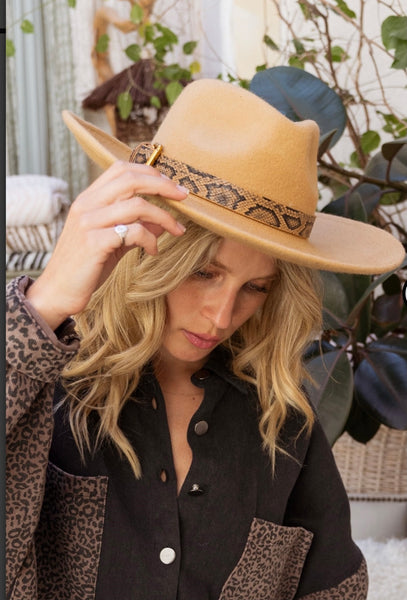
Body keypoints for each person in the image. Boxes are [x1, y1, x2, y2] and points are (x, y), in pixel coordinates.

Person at [6, 79, 404, 600]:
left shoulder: (282, 418)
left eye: (255, 287)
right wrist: (45, 303)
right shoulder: (49, 381)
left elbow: (334, 585)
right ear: (148, 246)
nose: (221, 317)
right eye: (203, 273)